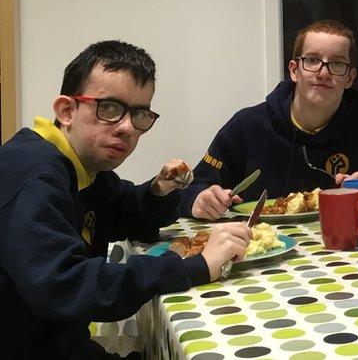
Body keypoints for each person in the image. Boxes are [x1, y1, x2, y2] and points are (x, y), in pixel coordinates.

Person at [0, 40, 251, 358]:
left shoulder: (83, 169)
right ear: (66, 111)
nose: (128, 127)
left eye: (140, 114)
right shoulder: (36, 175)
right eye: (109, 108)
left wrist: (158, 189)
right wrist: (194, 266)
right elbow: (64, 286)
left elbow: (122, 211)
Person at [181, 19, 358, 219]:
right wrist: (199, 199)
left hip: (339, 256)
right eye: (312, 60)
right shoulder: (247, 126)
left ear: (350, 78)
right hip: (258, 253)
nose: (323, 73)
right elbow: (193, 186)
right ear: (294, 70)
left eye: (336, 64)